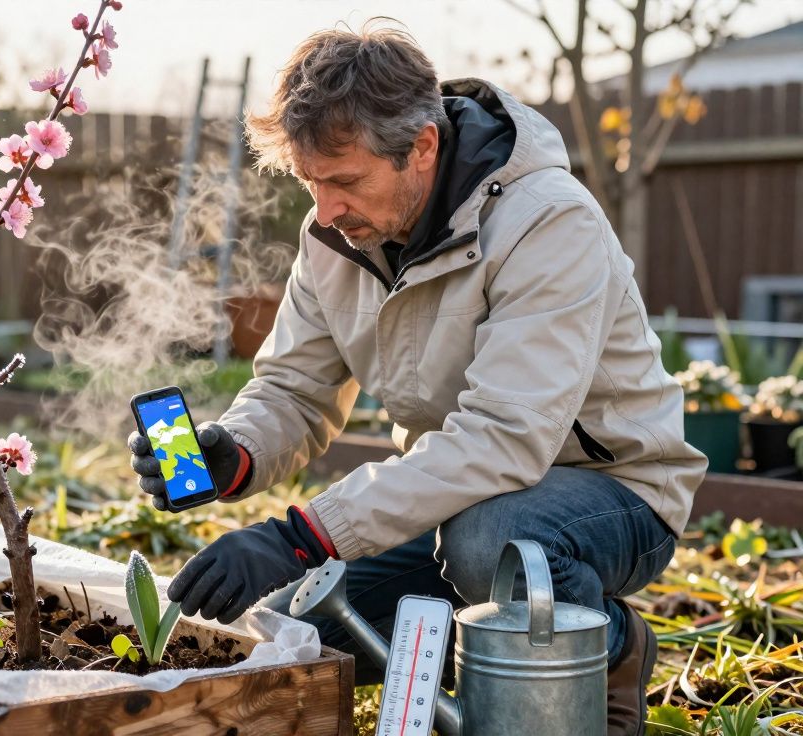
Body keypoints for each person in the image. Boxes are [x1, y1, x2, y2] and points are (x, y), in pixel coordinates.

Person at [127, 24, 706, 736]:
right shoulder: (338, 236)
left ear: (422, 146)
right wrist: (234, 450)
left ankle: (607, 647)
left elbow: (503, 439)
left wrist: (300, 537)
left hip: (612, 495)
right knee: (291, 639)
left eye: (344, 181)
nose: (327, 209)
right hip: (457, 499)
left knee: (494, 543)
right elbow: (294, 390)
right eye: (312, 182)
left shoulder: (547, 221)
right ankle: (489, 637)